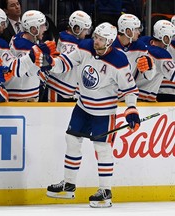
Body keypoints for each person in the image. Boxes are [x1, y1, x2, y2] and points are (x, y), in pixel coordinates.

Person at [46, 22, 140, 208]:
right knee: (71, 140)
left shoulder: (119, 61)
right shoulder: (86, 46)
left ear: (110, 42)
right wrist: (49, 63)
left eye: (100, 39)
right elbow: (66, 62)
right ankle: (69, 184)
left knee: (102, 148)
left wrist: (131, 110)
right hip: (82, 106)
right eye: (96, 36)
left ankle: (105, 191)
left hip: (104, 112)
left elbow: (130, 90)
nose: (96, 41)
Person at [39, 10, 92, 102]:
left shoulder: (64, 37)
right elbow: (65, 65)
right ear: (77, 28)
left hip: (64, 92)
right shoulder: (69, 43)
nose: (87, 33)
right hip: (57, 90)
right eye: (85, 30)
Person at [113, 14, 156, 101]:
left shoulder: (140, 47)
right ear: (128, 31)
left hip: (127, 96)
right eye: (136, 29)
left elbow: (149, 76)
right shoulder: (109, 44)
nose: (139, 32)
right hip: (107, 96)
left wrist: (150, 67)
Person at [138, 20, 175, 102]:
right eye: (171, 37)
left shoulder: (142, 41)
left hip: (127, 94)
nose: (172, 39)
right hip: (145, 99)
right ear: (165, 38)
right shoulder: (162, 54)